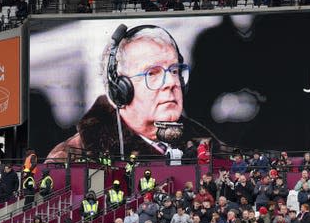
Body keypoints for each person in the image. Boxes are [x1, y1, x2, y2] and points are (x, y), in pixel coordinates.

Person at [46, 24, 220, 160]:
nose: (171, 82)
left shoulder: (211, 147)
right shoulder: (69, 157)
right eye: (152, 73)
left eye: (174, 71)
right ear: (120, 89)